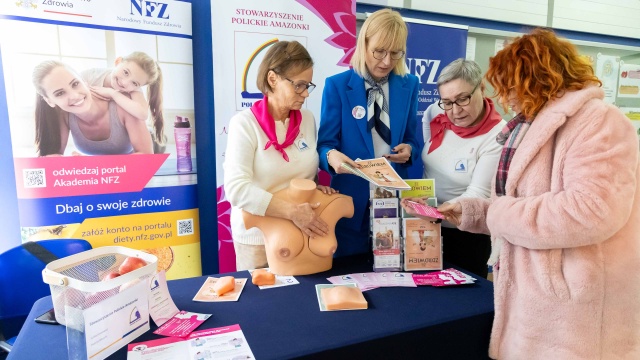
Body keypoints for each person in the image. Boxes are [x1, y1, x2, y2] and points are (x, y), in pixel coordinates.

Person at [436, 28, 640, 358]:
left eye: (510, 86)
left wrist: (497, 213)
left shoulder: (600, 122)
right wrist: (476, 212)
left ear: (537, 77)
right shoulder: (531, 126)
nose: (505, 99)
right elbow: (523, 199)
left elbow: (590, 211)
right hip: (538, 304)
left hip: (576, 315)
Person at [223, 40, 336, 271]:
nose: (305, 94)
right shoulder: (244, 124)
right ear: (272, 79)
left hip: (300, 232)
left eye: (308, 86)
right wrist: (292, 212)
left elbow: (303, 173)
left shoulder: (307, 119)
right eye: (299, 85)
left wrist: (315, 189)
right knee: (262, 305)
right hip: (257, 238)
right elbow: (236, 190)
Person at [317, 8, 420, 257]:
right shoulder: (338, 86)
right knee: (349, 274)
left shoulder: (409, 85)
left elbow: (412, 138)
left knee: (390, 275)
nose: (386, 62)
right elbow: (324, 145)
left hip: (392, 201)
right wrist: (331, 157)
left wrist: (409, 150)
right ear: (363, 44)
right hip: (350, 201)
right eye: (379, 52)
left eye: (395, 53)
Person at [401, 59, 505, 278]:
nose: (455, 111)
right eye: (447, 102)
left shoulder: (498, 135)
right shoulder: (434, 113)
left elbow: (477, 195)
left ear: (482, 89)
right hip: (426, 226)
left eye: (463, 99)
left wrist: (432, 211)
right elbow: (431, 160)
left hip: (466, 235)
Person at [33, 60, 153, 156]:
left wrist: (92, 166)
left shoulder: (123, 105)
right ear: (49, 101)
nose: (74, 96)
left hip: (149, 140)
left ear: (84, 81)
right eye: (60, 93)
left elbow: (146, 156)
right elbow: (53, 157)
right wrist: (69, 164)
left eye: (75, 84)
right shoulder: (63, 115)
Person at [82, 51, 165, 151]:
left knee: (156, 145)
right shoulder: (92, 75)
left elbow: (143, 113)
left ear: (139, 86)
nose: (125, 83)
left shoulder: (134, 90)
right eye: (126, 72)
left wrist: (113, 93)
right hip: (109, 137)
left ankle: (161, 144)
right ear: (118, 62)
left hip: (138, 136)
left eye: (134, 83)